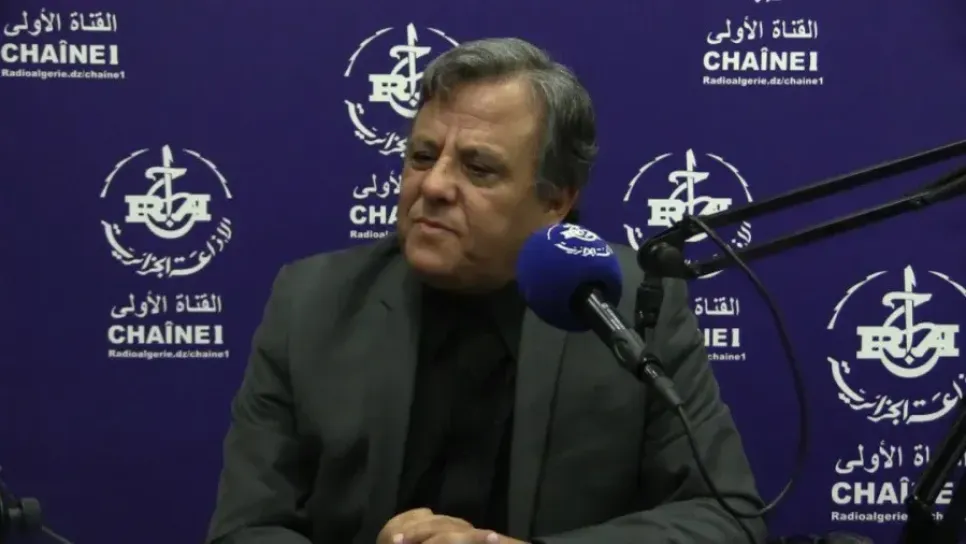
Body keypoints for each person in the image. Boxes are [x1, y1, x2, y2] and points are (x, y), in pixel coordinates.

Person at [205, 37, 767, 544]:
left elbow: (727, 518)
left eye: (478, 168)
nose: (434, 185)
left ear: (555, 201)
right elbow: (245, 527)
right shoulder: (311, 303)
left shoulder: (627, 303)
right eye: (423, 156)